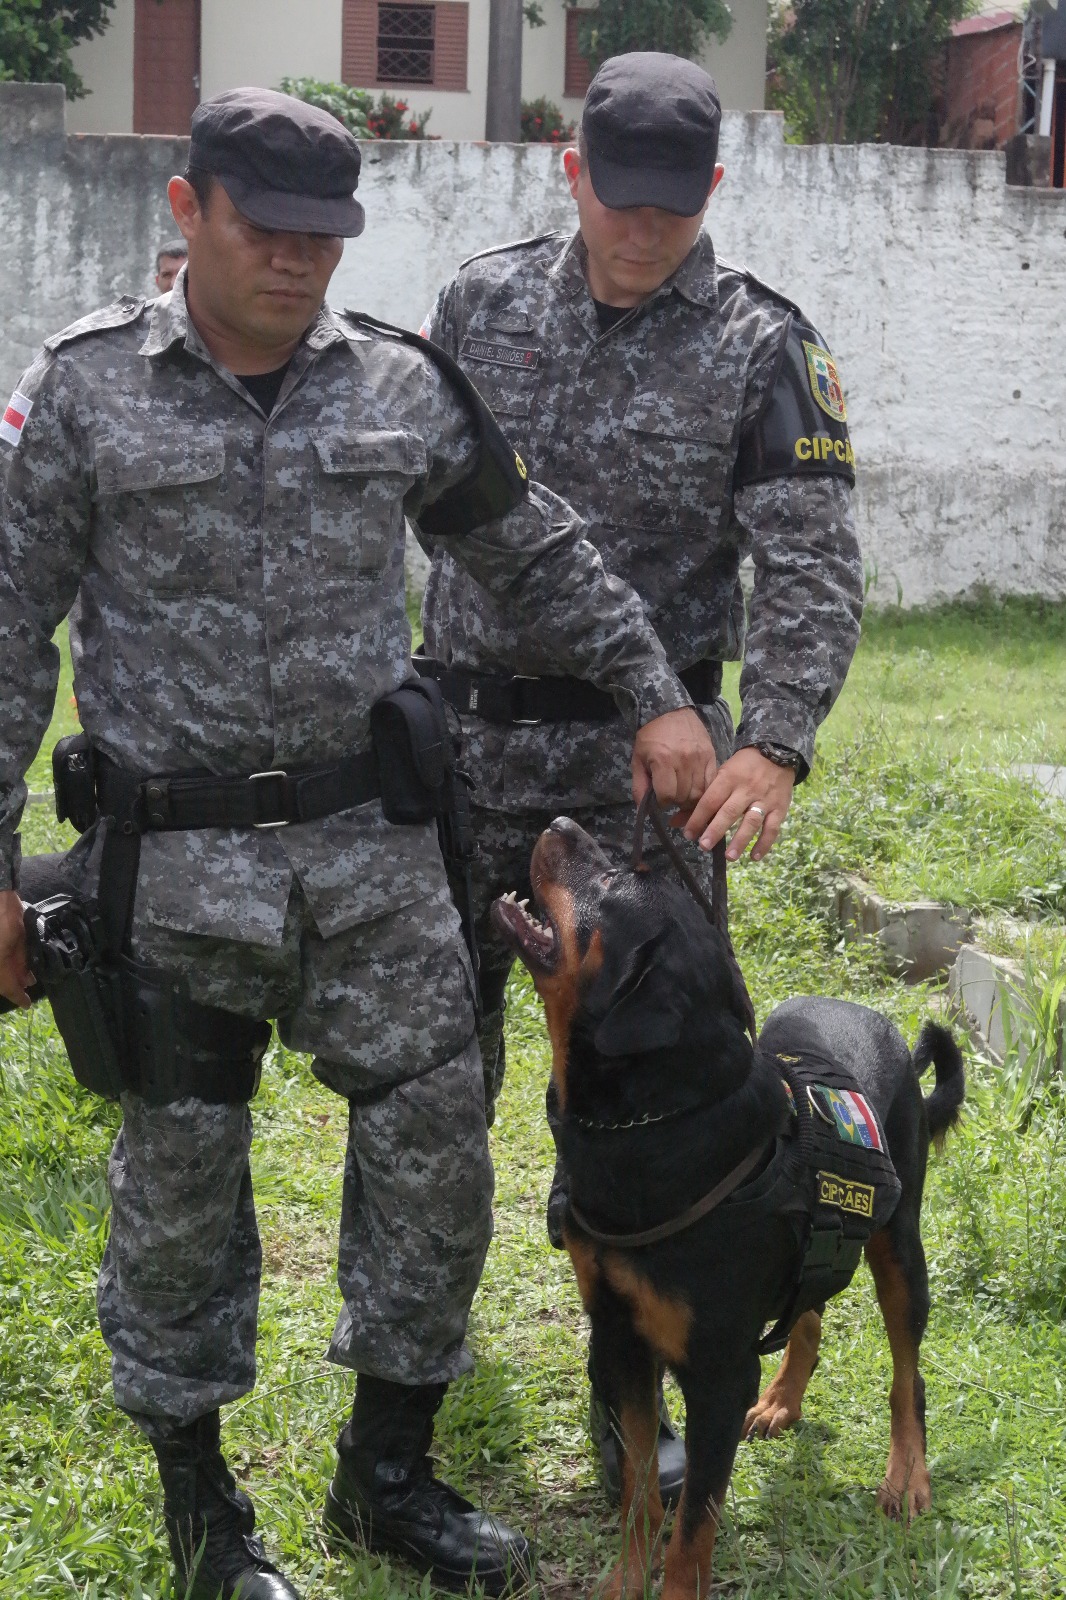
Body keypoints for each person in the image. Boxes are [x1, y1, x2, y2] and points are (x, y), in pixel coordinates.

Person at [0, 87, 722, 1600]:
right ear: (187, 209)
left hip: (372, 853)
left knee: (429, 1153)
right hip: (173, 868)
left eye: (325, 236)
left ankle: (385, 1474)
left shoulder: (398, 385)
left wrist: (658, 694)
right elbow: (7, 635)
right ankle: (204, 1516)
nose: (297, 264)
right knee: (181, 1182)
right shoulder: (78, 393)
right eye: (264, 230)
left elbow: (534, 547)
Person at [418, 51, 864, 1506]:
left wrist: (773, 737)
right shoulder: (480, 306)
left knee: (659, 1092)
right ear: (571, 173)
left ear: (710, 194)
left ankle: (646, 1378)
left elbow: (808, 564)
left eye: (672, 209)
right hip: (468, 748)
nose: (642, 231)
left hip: (643, 778)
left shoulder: (760, 345)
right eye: (620, 200)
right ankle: (414, 1367)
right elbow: (409, 505)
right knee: (435, 1069)